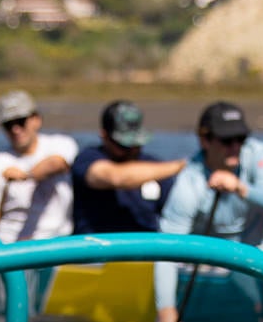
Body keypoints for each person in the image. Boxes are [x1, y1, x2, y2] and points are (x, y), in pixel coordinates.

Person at [152, 101, 263, 322]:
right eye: (226, 141)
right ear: (205, 141)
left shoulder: (260, 155)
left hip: (253, 252)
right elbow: (167, 249)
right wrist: (166, 310)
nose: (235, 147)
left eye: (240, 139)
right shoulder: (189, 182)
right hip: (209, 260)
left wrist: (239, 187)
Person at [0, 90, 79, 309]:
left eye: (20, 121)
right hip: (13, 252)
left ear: (36, 120)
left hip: (58, 246)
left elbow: (57, 164)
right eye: (8, 124)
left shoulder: (60, 144)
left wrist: (26, 176)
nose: (15, 129)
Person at [71, 100, 186, 235]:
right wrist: (180, 166)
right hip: (97, 249)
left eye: (136, 143)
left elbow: (175, 216)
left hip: (144, 250)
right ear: (104, 136)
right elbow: (115, 178)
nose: (131, 150)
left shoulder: (155, 165)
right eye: (123, 145)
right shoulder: (88, 159)